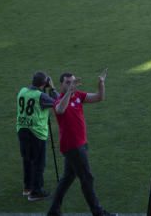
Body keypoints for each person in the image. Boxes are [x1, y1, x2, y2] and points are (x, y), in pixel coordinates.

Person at [47, 69, 115, 216]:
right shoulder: (59, 100)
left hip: (81, 144)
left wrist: (101, 83)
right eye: (67, 82)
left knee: (68, 178)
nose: (71, 84)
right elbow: (60, 110)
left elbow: (99, 97)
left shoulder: (78, 95)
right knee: (87, 178)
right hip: (73, 147)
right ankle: (98, 212)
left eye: (73, 81)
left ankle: (53, 210)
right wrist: (68, 93)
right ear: (62, 84)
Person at [16, 71, 57, 201]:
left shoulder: (22, 91)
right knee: (39, 163)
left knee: (27, 159)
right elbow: (58, 102)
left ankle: (27, 187)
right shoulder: (41, 96)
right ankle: (36, 191)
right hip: (36, 132)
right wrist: (52, 88)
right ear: (44, 83)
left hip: (22, 129)